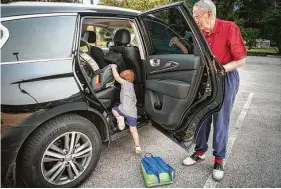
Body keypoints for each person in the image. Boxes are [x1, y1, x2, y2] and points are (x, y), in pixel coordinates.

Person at [182, 0, 247, 181]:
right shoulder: (200, 33)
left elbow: (241, 61)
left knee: (221, 119)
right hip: (206, 80)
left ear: (209, 14)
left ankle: (219, 159)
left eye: (197, 17)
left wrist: (222, 68)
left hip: (225, 78)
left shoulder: (229, 28)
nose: (195, 21)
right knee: (202, 117)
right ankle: (200, 152)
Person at [110, 64, 142, 154]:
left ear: (125, 79)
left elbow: (116, 77)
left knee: (114, 110)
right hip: (132, 113)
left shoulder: (125, 83)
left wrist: (113, 67)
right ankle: (137, 146)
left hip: (123, 109)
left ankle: (120, 118)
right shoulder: (131, 86)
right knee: (133, 130)